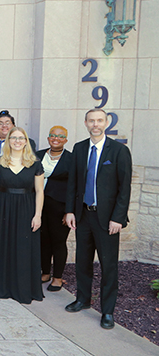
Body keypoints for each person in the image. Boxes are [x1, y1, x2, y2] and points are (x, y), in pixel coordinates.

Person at [64, 109, 132, 330]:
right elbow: (73, 183)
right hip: (83, 215)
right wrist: (70, 211)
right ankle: (83, 299)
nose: (95, 124)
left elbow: (124, 189)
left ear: (106, 122)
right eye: (91, 120)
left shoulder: (120, 151)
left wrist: (118, 218)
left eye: (99, 120)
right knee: (83, 262)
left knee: (108, 266)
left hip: (107, 220)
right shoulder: (79, 148)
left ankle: (108, 311)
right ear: (85, 123)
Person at [0, 127, 44, 304]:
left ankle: (23, 288)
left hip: (26, 208)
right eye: (14, 138)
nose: (17, 141)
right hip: (3, 207)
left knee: (23, 248)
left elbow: (40, 191)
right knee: (3, 245)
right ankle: (2, 286)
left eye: (21, 138)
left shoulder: (35, 164)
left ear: (26, 141)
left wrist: (38, 215)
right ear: (8, 141)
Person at [36, 126, 72, 292]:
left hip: (60, 206)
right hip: (39, 205)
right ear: (48, 138)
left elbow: (75, 187)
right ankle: (45, 272)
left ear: (65, 139)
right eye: (52, 135)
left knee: (58, 241)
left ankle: (57, 277)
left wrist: (69, 211)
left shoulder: (71, 159)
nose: (55, 138)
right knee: (43, 240)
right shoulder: (38, 155)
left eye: (60, 136)